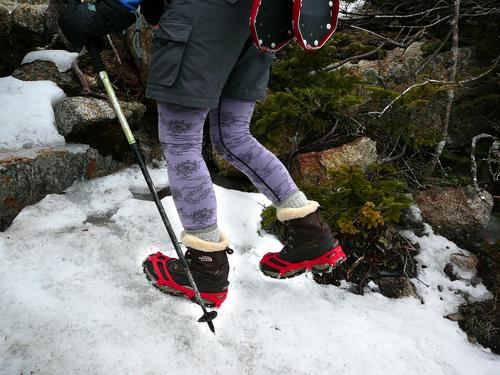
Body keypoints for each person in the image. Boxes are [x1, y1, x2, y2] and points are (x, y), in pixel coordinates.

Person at [58, 0, 347, 308]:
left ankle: (206, 267)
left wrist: (110, 9)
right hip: (262, 21)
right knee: (233, 137)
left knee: (181, 141)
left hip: (205, 16)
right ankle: (311, 233)